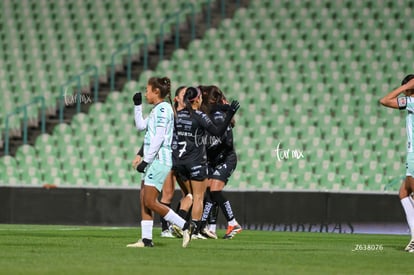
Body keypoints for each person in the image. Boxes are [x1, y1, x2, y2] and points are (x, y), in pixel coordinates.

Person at [126, 77, 194, 248]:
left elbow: (159, 136)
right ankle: (146, 240)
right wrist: (137, 106)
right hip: (153, 161)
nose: (146, 93)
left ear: (156, 91)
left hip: (158, 160)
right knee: (144, 199)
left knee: (149, 201)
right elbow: (141, 126)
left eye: (147, 90)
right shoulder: (158, 109)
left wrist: (145, 159)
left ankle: (185, 225)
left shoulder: (163, 109)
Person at [172, 86, 240, 239]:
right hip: (196, 161)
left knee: (197, 194)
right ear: (197, 99)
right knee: (199, 196)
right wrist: (229, 113)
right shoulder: (200, 116)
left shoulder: (178, 115)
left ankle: (187, 225)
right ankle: (194, 228)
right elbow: (217, 132)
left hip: (179, 161)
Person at [199, 85, 242, 239]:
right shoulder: (214, 113)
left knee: (215, 190)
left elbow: (227, 141)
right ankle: (210, 228)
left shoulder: (217, 115)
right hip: (215, 159)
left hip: (226, 158)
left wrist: (213, 145)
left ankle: (233, 223)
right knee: (210, 193)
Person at [379, 74, 414, 252]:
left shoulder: (412, 101)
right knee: (404, 192)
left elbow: (384, 100)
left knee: (407, 193)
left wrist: (404, 88)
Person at [160, 86, 193, 238]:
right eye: (183, 94)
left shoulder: (191, 115)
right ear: (176, 98)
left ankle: (176, 224)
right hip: (170, 157)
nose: (186, 96)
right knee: (167, 195)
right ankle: (166, 229)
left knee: (191, 195)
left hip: (183, 160)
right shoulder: (171, 113)